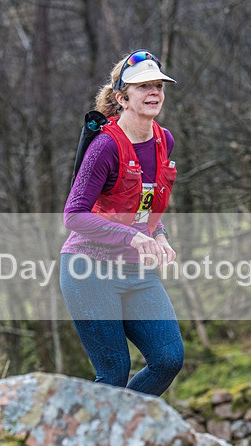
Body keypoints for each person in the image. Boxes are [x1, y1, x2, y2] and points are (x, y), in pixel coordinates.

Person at [59, 49, 184, 397]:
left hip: (135, 272)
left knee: (168, 358)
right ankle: (92, 445)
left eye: (158, 84)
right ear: (122, 97)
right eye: (143, 86)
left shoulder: (164, 140)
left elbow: (145, 205)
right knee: (114, 370)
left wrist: (160, 235)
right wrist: (131, 237)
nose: (153, 92)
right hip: (89, 269)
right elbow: (74, 215)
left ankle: (114, 431)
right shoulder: (105, 146)